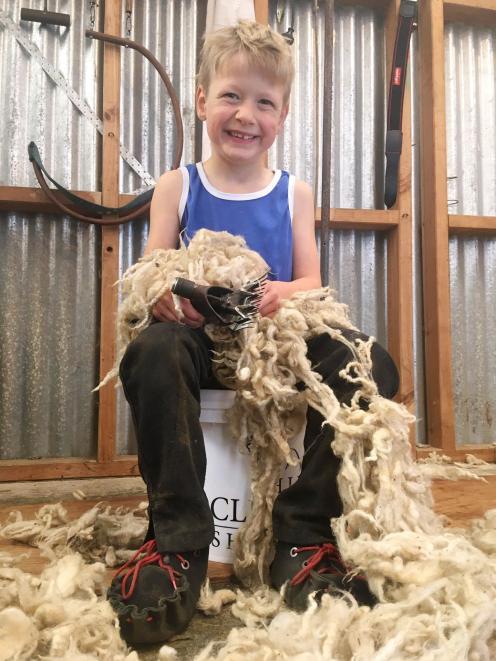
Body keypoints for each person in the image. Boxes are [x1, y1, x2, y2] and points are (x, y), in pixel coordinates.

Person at [108, 20, 399, 645]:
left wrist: (270, 296)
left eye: (264, 102)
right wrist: (165, 298)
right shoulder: (178, 185)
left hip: (270, 345)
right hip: (195, 341)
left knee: (368, 362)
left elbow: (311, 283)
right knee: (150, 352)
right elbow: (151, 271)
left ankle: (303, 536)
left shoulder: (293, 192)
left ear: (283, 113)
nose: (246, 115)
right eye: (231, 95)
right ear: (201, 98)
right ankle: (178, 546)